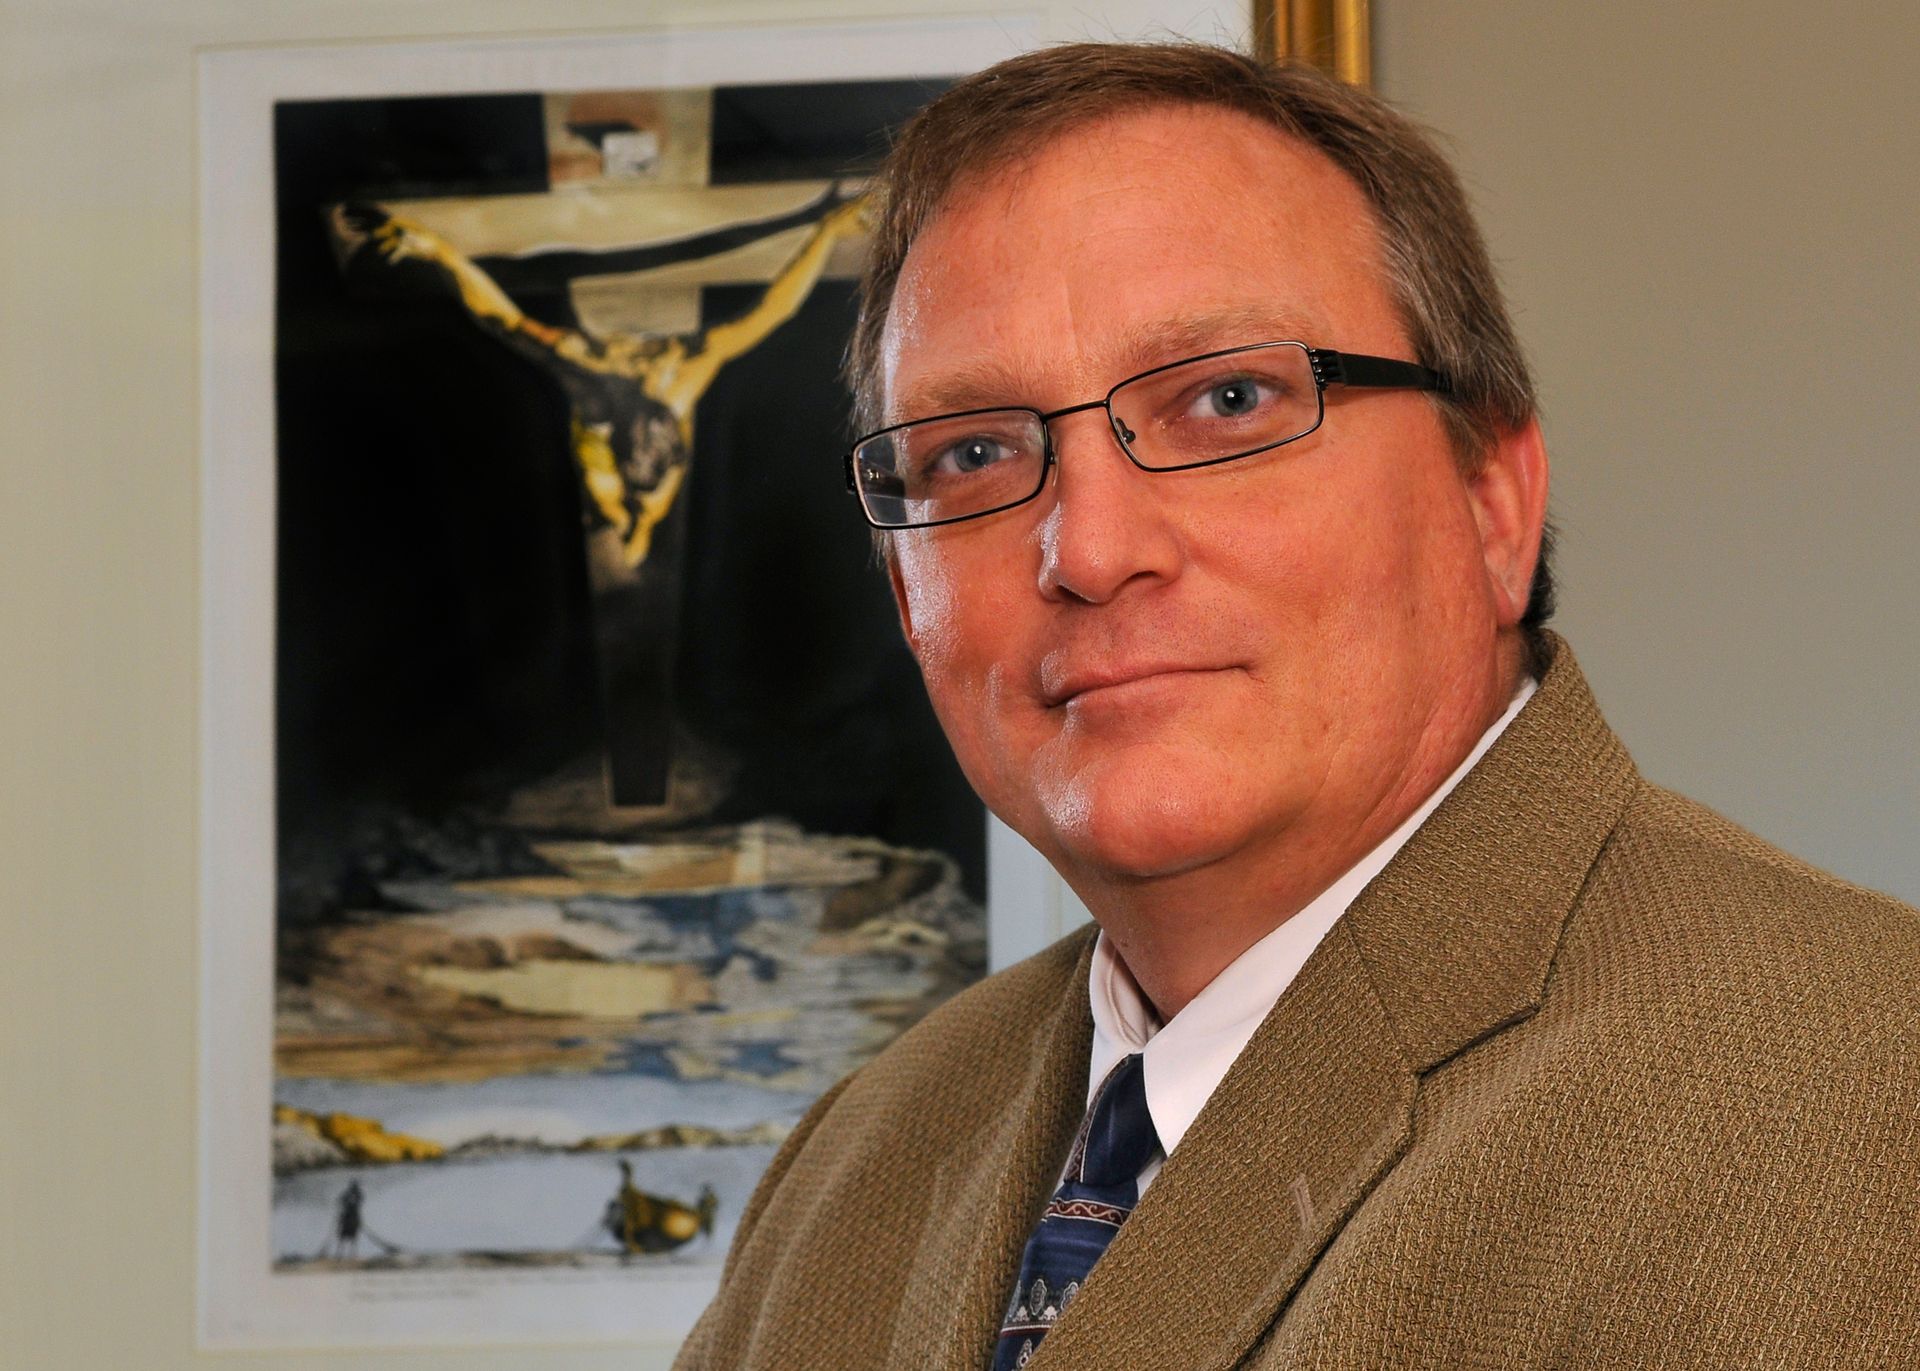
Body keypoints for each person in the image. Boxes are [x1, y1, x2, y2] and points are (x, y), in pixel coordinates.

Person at [675, 43, 1920, 1369]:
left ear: (1496, 496)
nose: (1089, 550)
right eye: (973, 452)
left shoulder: (1866, 1099)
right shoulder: (860, 1161)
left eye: (1228, 399)